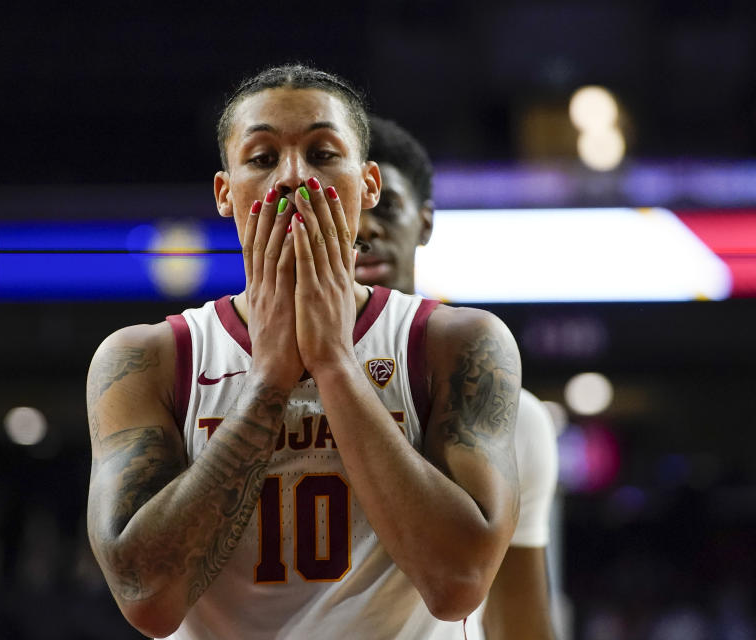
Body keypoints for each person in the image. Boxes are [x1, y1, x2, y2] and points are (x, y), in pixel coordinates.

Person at [85, 64, 522, 640]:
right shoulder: (149, 358)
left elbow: (458, 585)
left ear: (367, 185)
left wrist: (335, 366)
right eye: (263, 158)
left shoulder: (453, 342)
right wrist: (267, 383)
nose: (293, 178)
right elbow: (148, 600)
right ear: (225, 192)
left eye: (321, 154)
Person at [355, 115, 559, 640]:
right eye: (342, 211)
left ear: (425, 223)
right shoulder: (215, 375)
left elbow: (521, 620)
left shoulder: (515, 415)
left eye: (385, 206)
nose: (363, 229)